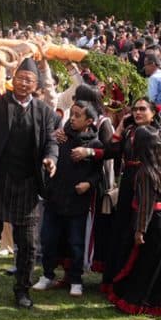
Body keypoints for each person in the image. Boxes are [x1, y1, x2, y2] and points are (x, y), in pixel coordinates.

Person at [0, 57, 59, 309]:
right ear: (13, 80)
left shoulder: (44, 112)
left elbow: (51, 141)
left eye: (29, 80)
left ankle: (22, 289)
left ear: (36, 85)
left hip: (27, 183)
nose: (23, 83)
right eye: (20, 78)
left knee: (29, 244)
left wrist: (51, 159)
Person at [32, 100, 102, 297]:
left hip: (77, 202)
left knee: (76, 242)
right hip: (55, 197)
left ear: (89, 120)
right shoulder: (61, 137)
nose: (73, 118)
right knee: (48, 239)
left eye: (78, 115)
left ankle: (76, 279)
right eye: (72, 114)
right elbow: (50, 152)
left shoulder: (94, 144)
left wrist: (88, 184)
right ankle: (47, 274)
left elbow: (99, 173)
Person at [106, 126, 161, 316]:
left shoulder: (144, 172)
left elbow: (145, 204)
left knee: (143, 264)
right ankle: (156, 302)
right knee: (158, 265)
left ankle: (137, 300)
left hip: (151, 223)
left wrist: (140, 230)